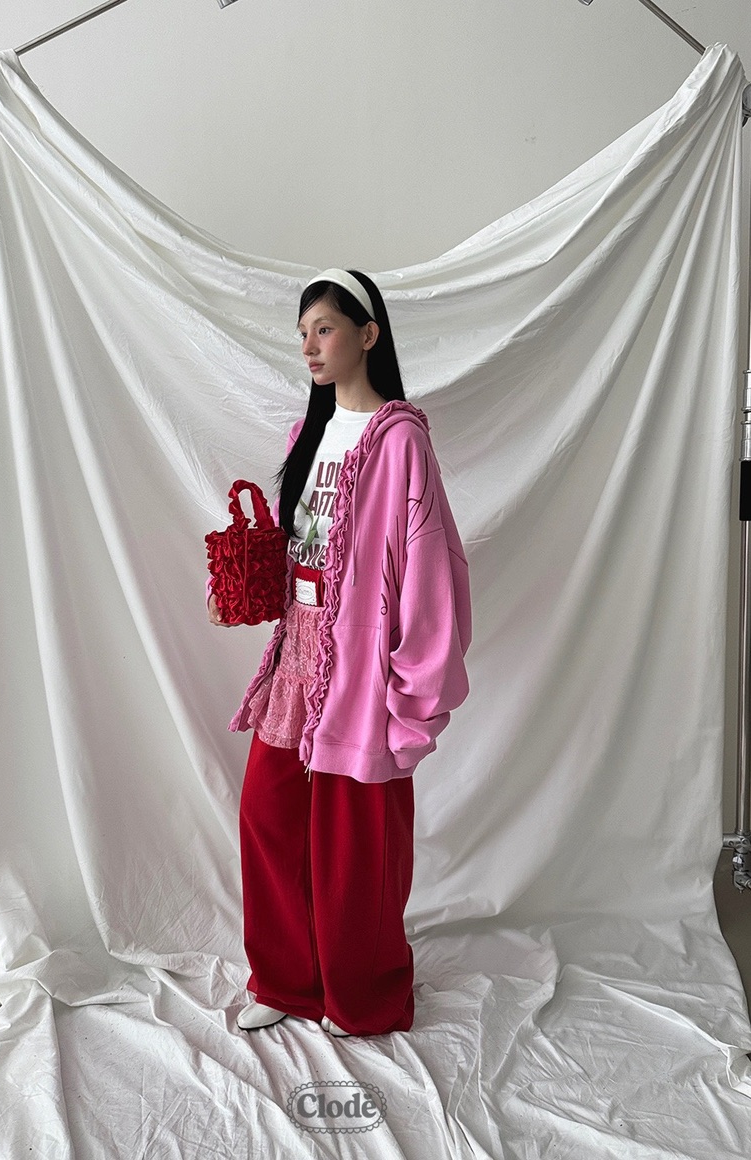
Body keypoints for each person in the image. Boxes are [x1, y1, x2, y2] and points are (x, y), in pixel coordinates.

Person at [208, 268, 471, 1037]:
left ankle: (364, 996)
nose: (309, 346)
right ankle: (287, 981)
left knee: (354, 845)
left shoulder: (401, 441)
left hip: (363, 666)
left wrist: (410, 693)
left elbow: (431, 573)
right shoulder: (308, 434)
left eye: (323, 329)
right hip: (298, 653)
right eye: (302, 333)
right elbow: (304, 547)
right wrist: (252, 581)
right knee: (268, 814)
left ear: (368, 333)